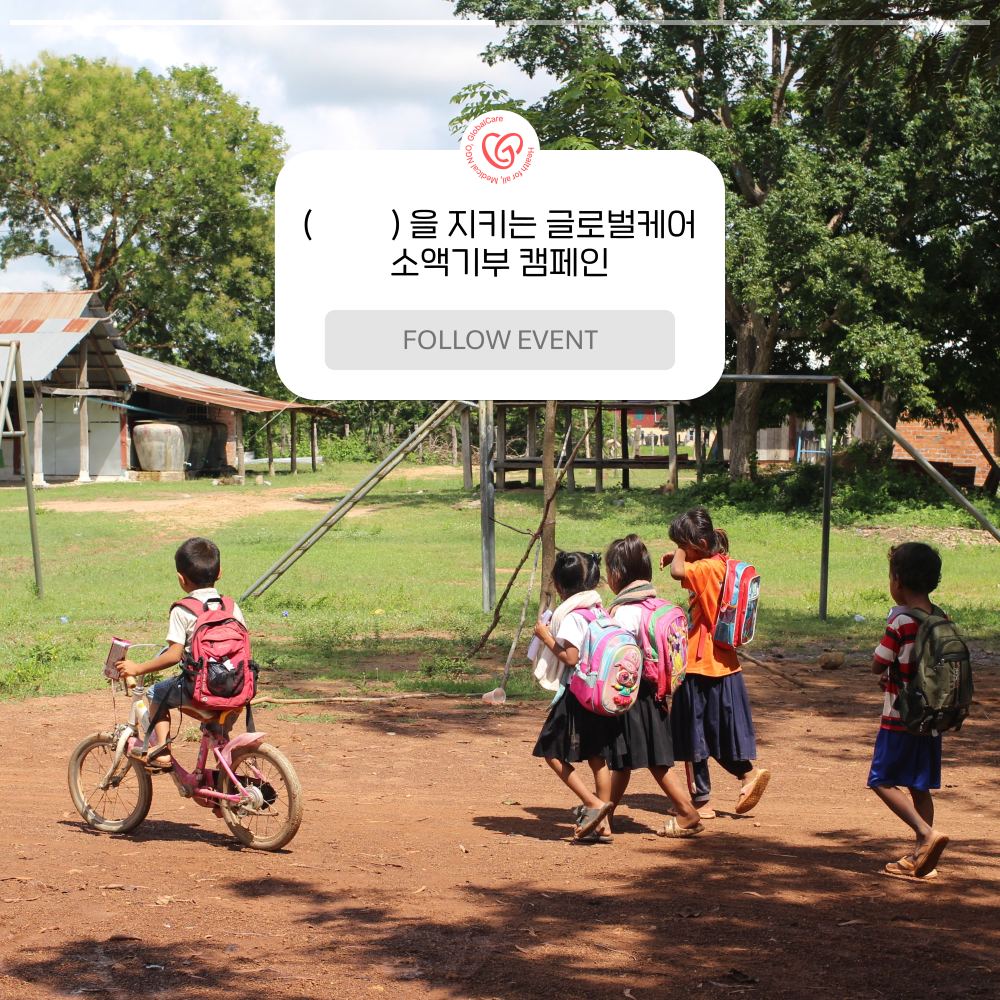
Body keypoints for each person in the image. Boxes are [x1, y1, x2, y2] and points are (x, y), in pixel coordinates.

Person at [661, 507, 770, 816]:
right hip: (724, 663)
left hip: (698, 663)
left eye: (683, 544)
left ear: (697, 544)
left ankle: (700, 801)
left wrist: (678, 554)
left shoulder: (705, 569)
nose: (681, 551)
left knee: (689, 733)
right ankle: (747, 775)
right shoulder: (721, 563)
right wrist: (682, 552)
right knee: (716, 731)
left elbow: (678, 572)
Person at [605, 534, 704, 838]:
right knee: (622, 759)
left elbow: (616, 655)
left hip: (630, 694)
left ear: (617, 574)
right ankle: (605, 814)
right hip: (652, 691)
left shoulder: (624, 612)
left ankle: (687, 812)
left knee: (654, 760)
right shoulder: (650, 604)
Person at [116, 537, 245, 768]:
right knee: (218, 737)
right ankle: (227, 779)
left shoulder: (182, 610)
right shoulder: (230, 606)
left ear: (181, 578)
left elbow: (173, 656)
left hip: (202, 690)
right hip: (237, 687)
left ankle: (162, 750)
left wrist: (137, 668)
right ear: (219, 573)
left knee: (156, 693)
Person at [532, 551, 627, 842]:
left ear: (559, 587)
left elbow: (571, 658)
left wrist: (546, 638)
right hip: (601, 695)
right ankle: (604, 825)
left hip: (578, 694)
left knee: (550, 751)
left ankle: (592, 803)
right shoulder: (599, 610)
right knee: (598, 757)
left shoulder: (573, 617)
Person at [868, 542, 950, 879]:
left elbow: (877, 663)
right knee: (919, 785)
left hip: (900, 718)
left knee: (881, 779)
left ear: (898, 580)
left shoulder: (901, 621)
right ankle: (921, 858)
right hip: (931, 718)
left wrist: (887, 671)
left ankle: (927, 835)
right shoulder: (941, 617)